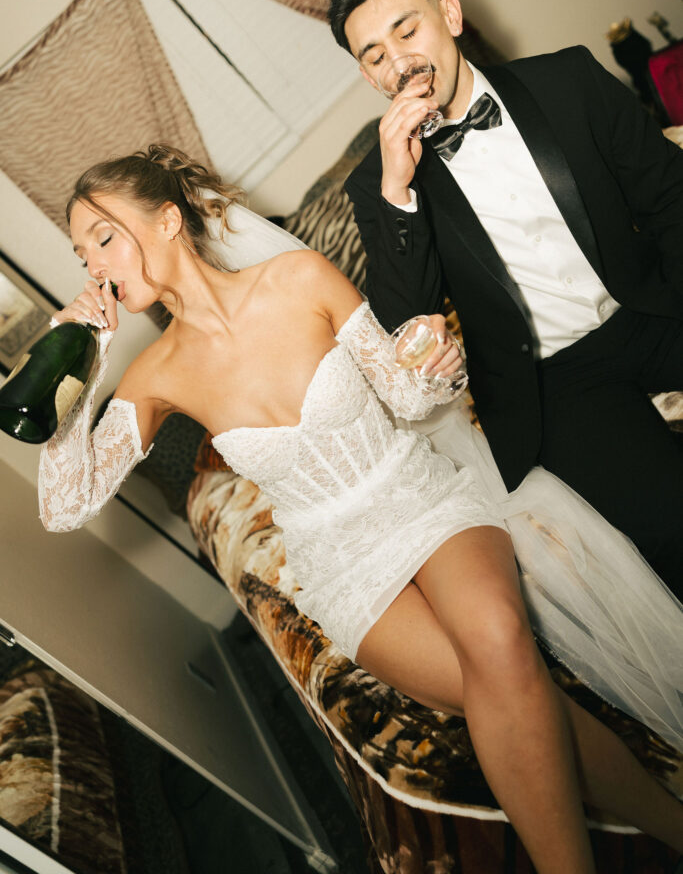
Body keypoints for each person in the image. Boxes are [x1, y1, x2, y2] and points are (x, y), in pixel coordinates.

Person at [37, 146, 682, 874]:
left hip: (416, 493)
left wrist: (433, 368)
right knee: (505, 689)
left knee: (499, 644)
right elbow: (66, 505)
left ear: (164, 220)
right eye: (80, 252)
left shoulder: (299, 278)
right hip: (338, 559)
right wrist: (78, 378)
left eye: (102, 237)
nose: (93, 266)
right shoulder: (153, 376)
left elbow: (406, 397)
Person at [328, 0, 683, 600]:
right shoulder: (378, 182)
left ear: (450, 14)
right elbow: (403, 322)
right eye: (373, 55)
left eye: (406, 29)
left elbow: (667, 195)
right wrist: (398, 188)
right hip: (554, 380)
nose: (398, 60)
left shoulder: (567, 79)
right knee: (669, 529)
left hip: (650, 307)